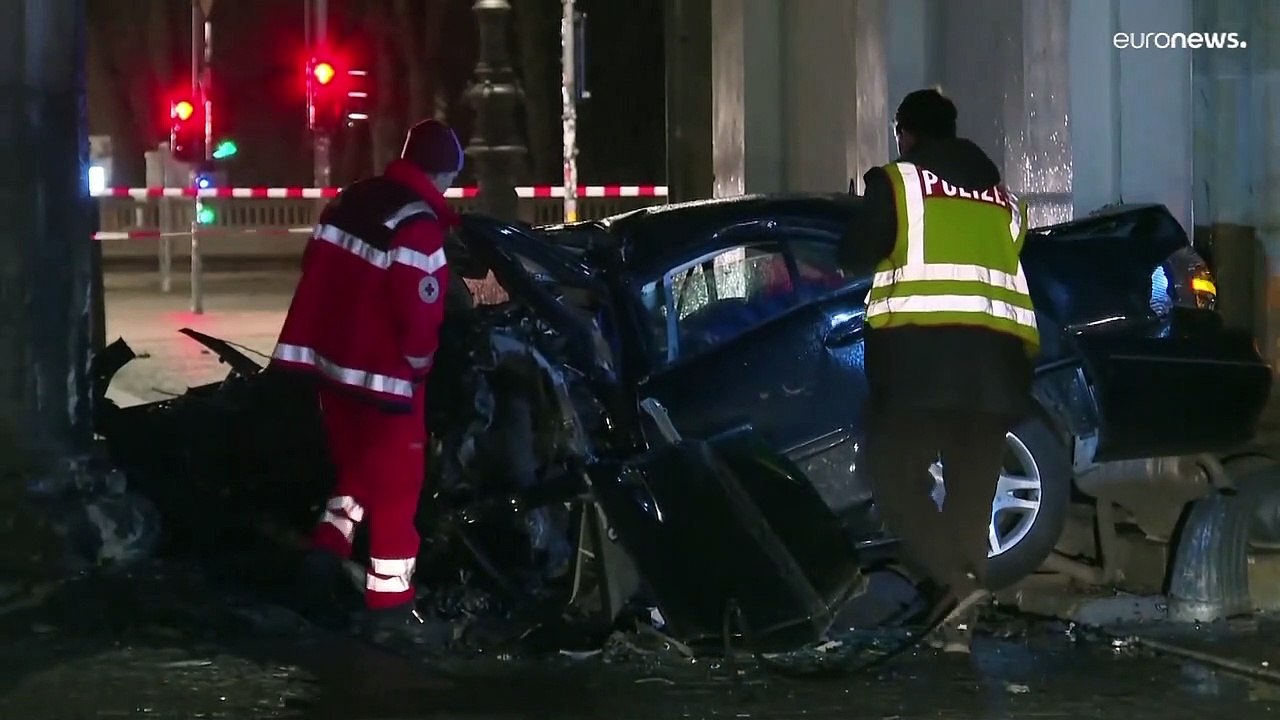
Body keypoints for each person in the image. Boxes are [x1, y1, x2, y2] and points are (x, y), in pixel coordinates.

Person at [839, 89, 1039, 653]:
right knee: (971, 499)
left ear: (907, 133)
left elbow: (856, 254)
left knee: (891, 475)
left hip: (923, 364)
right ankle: (957, 631)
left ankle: (957, 584)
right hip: (999, 368)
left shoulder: (898, 183)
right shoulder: (1006, 201)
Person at [271, 118, 464, 650]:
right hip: (386, 384)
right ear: (444, 173)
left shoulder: (352, 200)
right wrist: (421, 367)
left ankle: (323, 554)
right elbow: (420, 314)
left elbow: (316, 264)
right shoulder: (418, 225)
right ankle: (391, 609)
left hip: (331, 374)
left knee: (356, 471)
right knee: (398, 495)